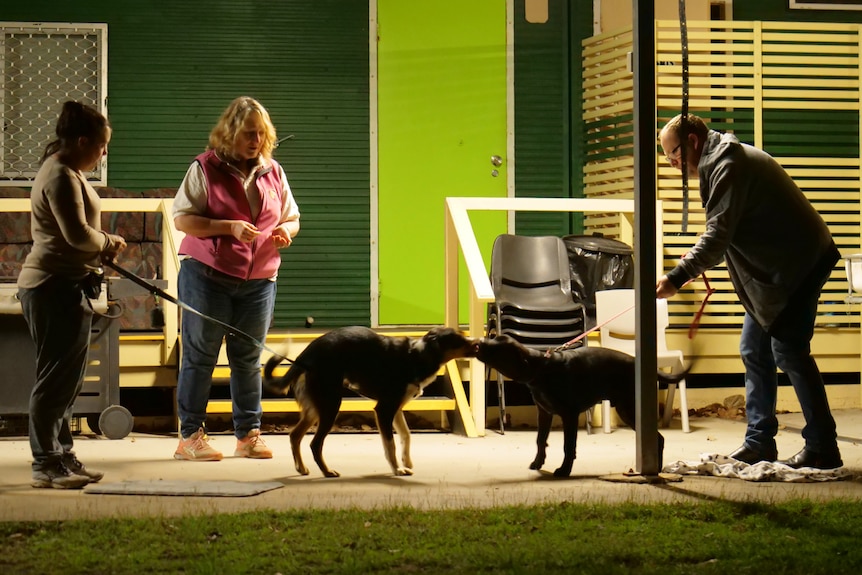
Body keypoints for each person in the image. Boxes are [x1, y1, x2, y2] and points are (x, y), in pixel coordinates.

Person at [656, 113, 842, 470]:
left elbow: (718, 234)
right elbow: (725, 230)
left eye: (674, 154)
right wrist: (698, 255)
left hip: (796, 266)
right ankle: (759, 442)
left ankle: (822, 446)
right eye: (667, 158)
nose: (673, 164)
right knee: (754, 350)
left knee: (788, 352)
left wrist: (677, 276)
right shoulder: (717, 161)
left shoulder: (727, 163)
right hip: (775, 274)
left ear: (693, 141)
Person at [172, 96, 300, 461]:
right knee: (200, 355)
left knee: (247, 357)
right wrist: (226, 227)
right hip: (207, 275)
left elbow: (292, 217)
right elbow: (182, 219)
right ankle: (190, 437)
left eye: (261, 133)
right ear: (229, 133)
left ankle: (248, 435)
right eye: (248, 133)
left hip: (260, 280)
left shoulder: (273, 171)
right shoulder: (205, 168)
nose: (255, 140)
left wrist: (285, 232)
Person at [17, 101, 127, 488]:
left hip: (69, 285)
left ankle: (63, 455)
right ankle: (45, 463)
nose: (104, 152)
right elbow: (77, 235)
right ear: (82, 141)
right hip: (50, 286)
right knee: (54, 380)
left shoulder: (69, 171)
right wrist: (109, 240)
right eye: (101, 145)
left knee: (68, 381)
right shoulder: (60, 176)